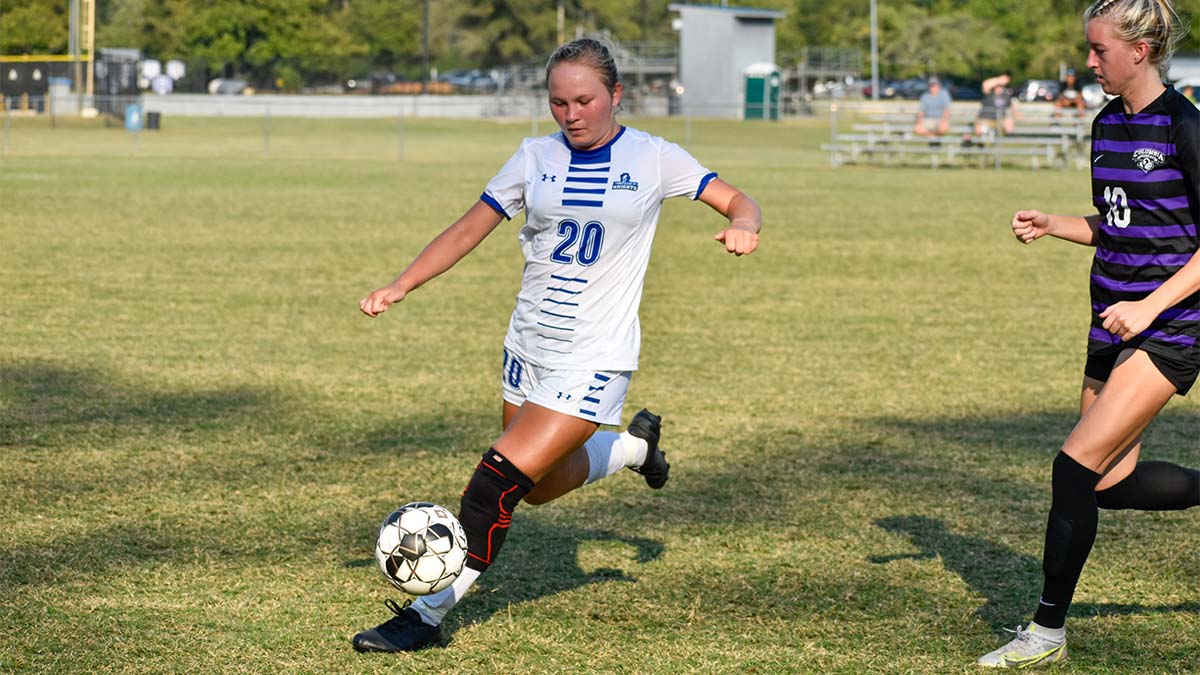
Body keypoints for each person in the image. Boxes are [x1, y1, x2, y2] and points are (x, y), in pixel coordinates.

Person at [351, 38, 763, 652]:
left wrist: (743, 224)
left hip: (594, 355)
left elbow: (737, 198)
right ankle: (632, 448)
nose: (571, 114)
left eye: (584, 100)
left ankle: (427, 617)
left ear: (615, 96)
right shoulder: (534, 156)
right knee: (539, 486)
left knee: (495, 483)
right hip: (527, 345)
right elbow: (471, 225)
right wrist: (402, 283)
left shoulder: (654, 157)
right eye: (558, 102)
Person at [979, 0, 1200, 668]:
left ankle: (1046, 630)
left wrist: (1150, 307)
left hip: (1167, 328)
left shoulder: (1185, 126)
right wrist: (1055, 224)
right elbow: (1119, 222)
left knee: (1072, 466)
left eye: (1100, 49)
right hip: (1108, 321)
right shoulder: (1107, 124)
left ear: (1141, 49)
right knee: (1106, 482)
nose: (1090, 60)